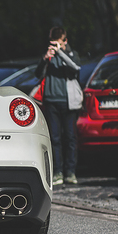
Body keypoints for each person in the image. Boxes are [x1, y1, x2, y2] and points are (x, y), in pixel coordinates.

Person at [34, 26, 82, 185]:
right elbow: (37, 74)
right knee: (54, 138)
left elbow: (75, 67)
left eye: (58, 43)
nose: (55, 46)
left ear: (65, 41)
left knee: (69, 137)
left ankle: (70, 172)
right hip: (51, 101)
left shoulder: (71, 54)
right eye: (53, 43)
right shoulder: (49, 56)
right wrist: (45, 59)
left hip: (69, 103)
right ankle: (57, 173)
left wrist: (60, 52)